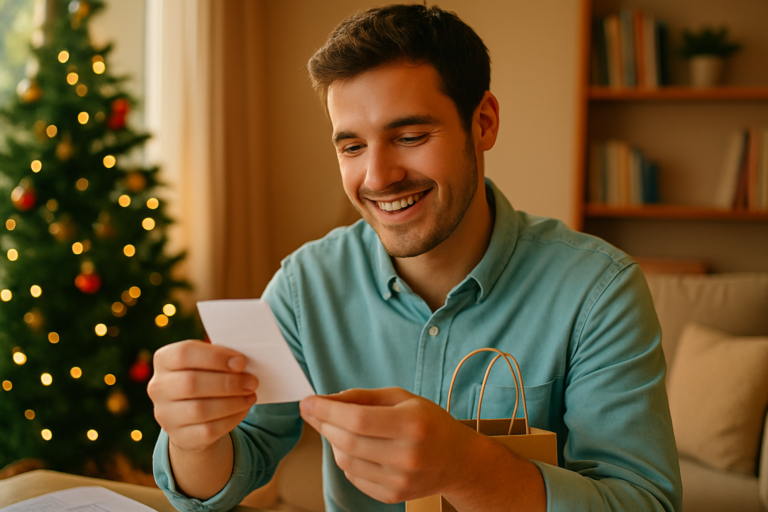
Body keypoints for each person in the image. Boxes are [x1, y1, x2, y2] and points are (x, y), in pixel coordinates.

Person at [149, 4, 682, 511]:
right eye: (352, 147)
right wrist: (193, 437)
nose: (378, 178)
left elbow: (642, 501)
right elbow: (225, 476)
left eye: (409, 135)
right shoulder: (304, 284)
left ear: (484, 123)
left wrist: (467, 467)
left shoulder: (598, 291)